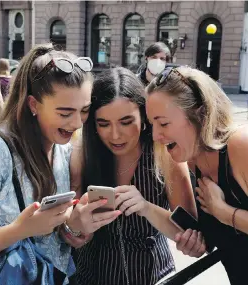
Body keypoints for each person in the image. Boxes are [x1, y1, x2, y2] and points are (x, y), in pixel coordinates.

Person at [145, 66, 248, 285]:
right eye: (151, 124)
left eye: (163, 123)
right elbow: (227, 238)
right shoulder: (193, 157)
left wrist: (227, 214)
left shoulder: (243, 145)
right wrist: (197, 240)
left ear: (200, 114)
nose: (155, 135)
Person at [64, 67, 205, 285]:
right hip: (91, 275)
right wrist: (77, 227)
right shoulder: (83, 152)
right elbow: (70, 236)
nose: (115, 134)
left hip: (150, 274)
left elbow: (187, 230)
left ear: (144, 115)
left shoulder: (163, 153)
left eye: (126, 121)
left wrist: (146, 207)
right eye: (103, 124)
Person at [0, 43, 94, 283]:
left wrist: (74, 228)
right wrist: (20, 230)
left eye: (85, 110)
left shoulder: (65, 150)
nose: (78, 122)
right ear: (33, 105)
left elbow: (57, 237)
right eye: (65, 113)